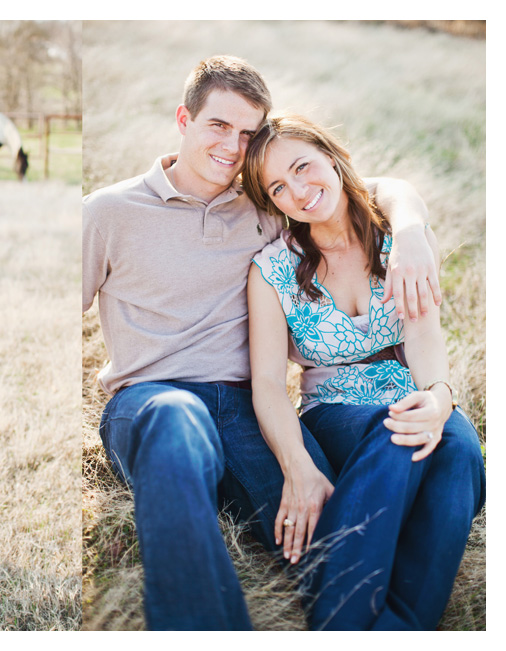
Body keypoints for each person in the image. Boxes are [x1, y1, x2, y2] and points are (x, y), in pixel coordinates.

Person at [82, 55, 441, 630]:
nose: (233, 145)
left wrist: (413, 232)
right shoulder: (109, 212)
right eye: (218, 126)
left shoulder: (267, 203)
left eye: (248, 133)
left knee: (326, 535)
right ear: (184, 119)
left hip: (246, 405)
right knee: (176, 424)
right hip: (151, 401)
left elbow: (370, 188)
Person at [242, 113, 485, 630]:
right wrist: (295, 463)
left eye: (303, 167)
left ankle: (395, 628)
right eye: (279, 188)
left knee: (461, 444)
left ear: (331, 155)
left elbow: (423, 337)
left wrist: (441, 397)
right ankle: (343, 621)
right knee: (397, 428)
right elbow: (266, 385)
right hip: (335, 410)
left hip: (405, 391)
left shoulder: (402, 242)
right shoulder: (272, 269)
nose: (300, 192)